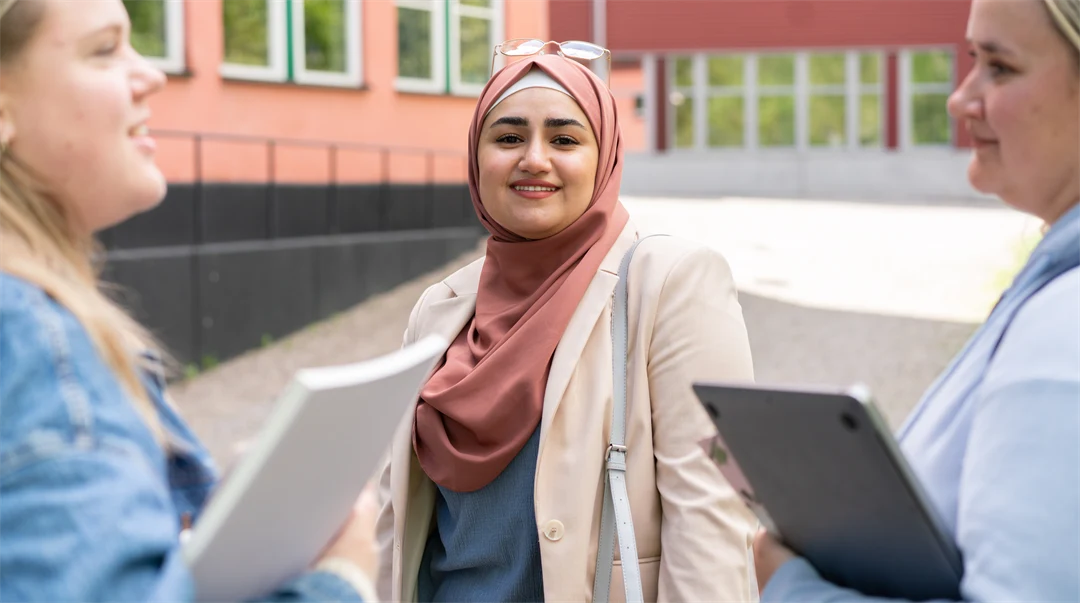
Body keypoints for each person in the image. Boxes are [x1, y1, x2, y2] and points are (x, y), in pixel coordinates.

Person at [0, 0, 376, 600]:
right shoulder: (35, 345)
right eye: (104, 49)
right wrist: (341, 578)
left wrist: (198, 523)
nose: (150, 74)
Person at [374, 50, 759, 603]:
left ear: (603, 157)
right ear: (476, 159)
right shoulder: (442, 307)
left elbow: (714, 509)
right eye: (508, 139)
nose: (534, 159)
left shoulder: (669, 282)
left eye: (564, 140)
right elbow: (396, 517)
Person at [754, 0, 1080, 600]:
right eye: (972, 61)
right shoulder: (1053, 283)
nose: (960, 99)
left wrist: (790, 586)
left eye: (1000, 68)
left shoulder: (1066, 329)